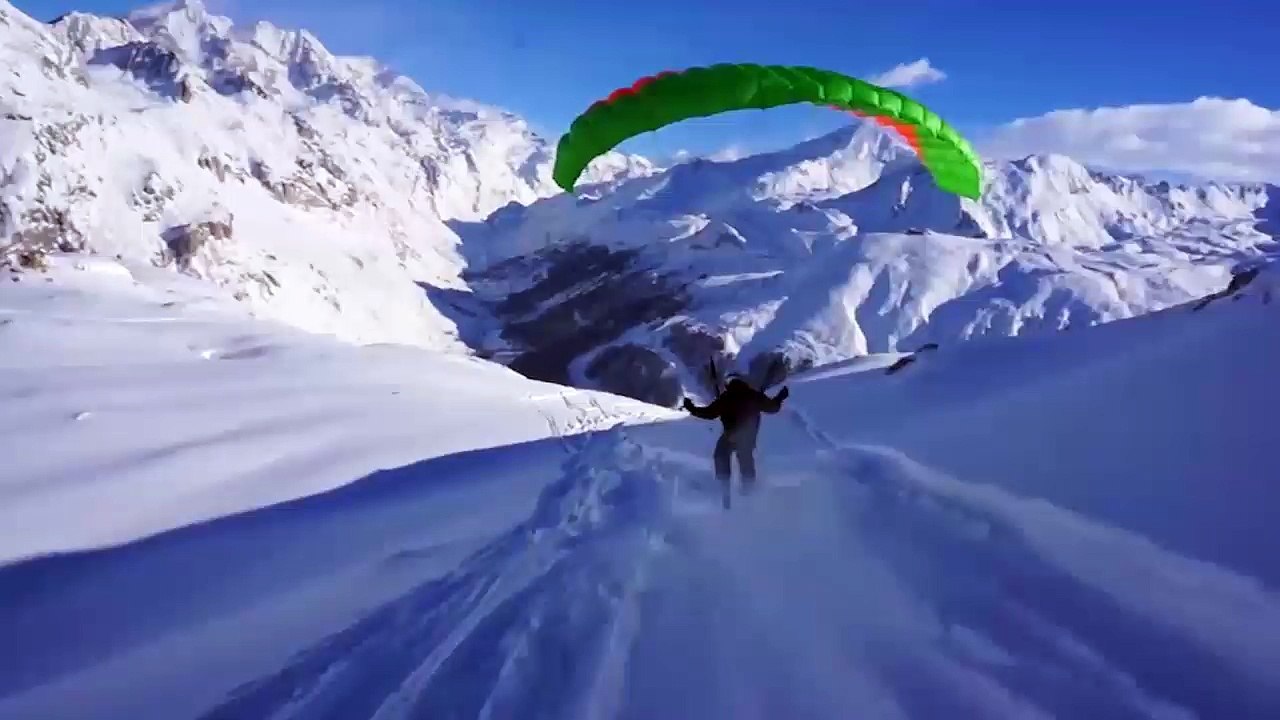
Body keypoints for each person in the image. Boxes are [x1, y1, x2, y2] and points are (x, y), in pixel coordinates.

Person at [682, 375, 790, 508]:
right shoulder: (753, 395)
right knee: (745, 459)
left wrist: (691, 407)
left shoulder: (727, 397)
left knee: (721, 455)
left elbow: (708, 413)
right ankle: (749, 493)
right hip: (748, 436)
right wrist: (780, 397)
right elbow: (773, 408)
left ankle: (724, 487)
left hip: (731, 435)